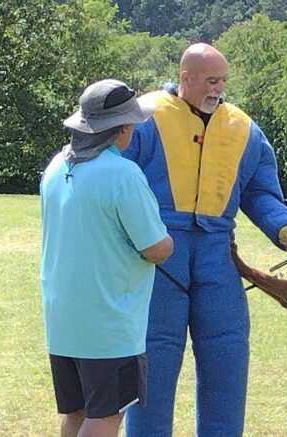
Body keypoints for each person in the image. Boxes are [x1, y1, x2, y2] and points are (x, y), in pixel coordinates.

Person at [121, 43, 287, 436]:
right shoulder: (143, 117)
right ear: (184, 78)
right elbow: (114, 182)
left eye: (222, 80)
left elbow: (260, 191)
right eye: (210, 80)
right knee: (152, 358)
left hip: (219, 255)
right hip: (158, 253)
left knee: (227, 356)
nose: (218, 88)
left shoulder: (243, 128)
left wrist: (284, 227)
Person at [39, 79, 174, 437]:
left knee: (76, 411)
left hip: (61, 318)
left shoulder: (55, 168)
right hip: (107, 321)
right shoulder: (123, 174)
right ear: (122, 128)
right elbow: (155, 247)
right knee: (106, 417)